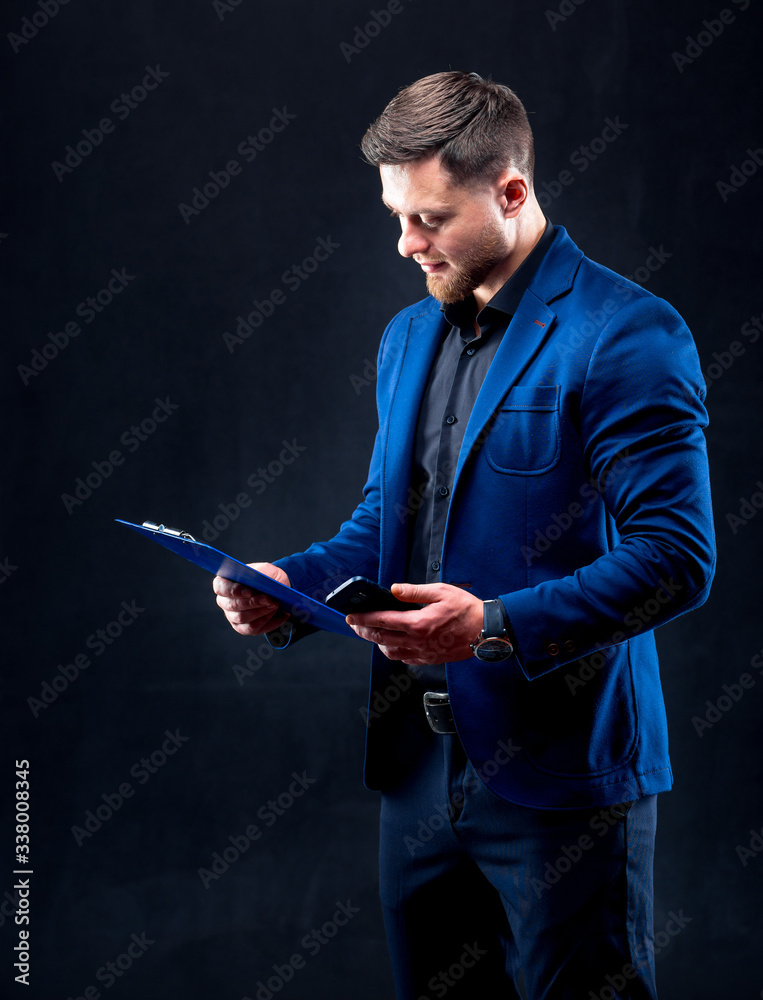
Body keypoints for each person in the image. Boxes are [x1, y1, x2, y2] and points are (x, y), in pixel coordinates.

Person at [213, 71, 715, 999]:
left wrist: (490, 624)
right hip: (415, 777)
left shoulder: (627, 334)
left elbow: (676, 560)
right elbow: (382, 526)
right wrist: (282, 584)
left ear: (511, 191)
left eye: (430, 219)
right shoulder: (407, 337)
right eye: (396, 216)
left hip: (563, 789)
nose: (405, 244)